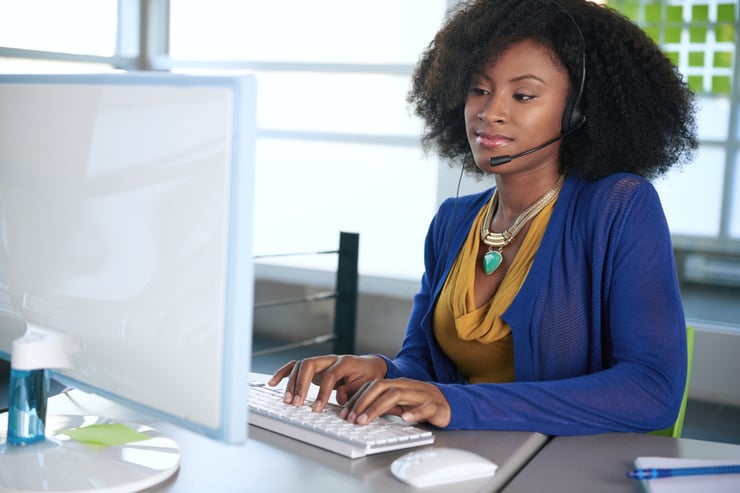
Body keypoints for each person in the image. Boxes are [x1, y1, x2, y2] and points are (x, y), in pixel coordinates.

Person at [269, 0, 697, 435]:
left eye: (523, 95)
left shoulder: (618, 207)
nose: (489, 111)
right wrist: (379, 370)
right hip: (459, 460)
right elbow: (423, 363)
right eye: (478, 89)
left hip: (558, 467)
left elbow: (652, 391)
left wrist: (457, 404)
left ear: (579, 111)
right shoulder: (453, 223)